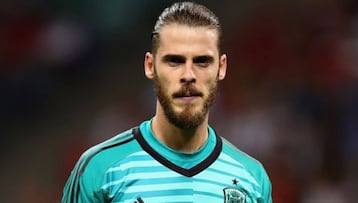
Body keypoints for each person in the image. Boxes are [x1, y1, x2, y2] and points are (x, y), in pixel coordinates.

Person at [61, 2, 272, 203]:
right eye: (175, 61)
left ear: (221, 68)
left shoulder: (252, 177)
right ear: (150, 66)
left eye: (202, 61)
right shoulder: (99, 169)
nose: (188, 75)